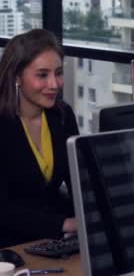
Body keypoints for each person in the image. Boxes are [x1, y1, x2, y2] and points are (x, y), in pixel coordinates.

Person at [0, 29, 79, 248]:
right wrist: (64, 224)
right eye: (42, 75)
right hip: (8, 246)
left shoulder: (62, 116)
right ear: (17, 77)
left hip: (50, 241)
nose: (54, 84)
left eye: (59, 73)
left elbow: (79, 184)